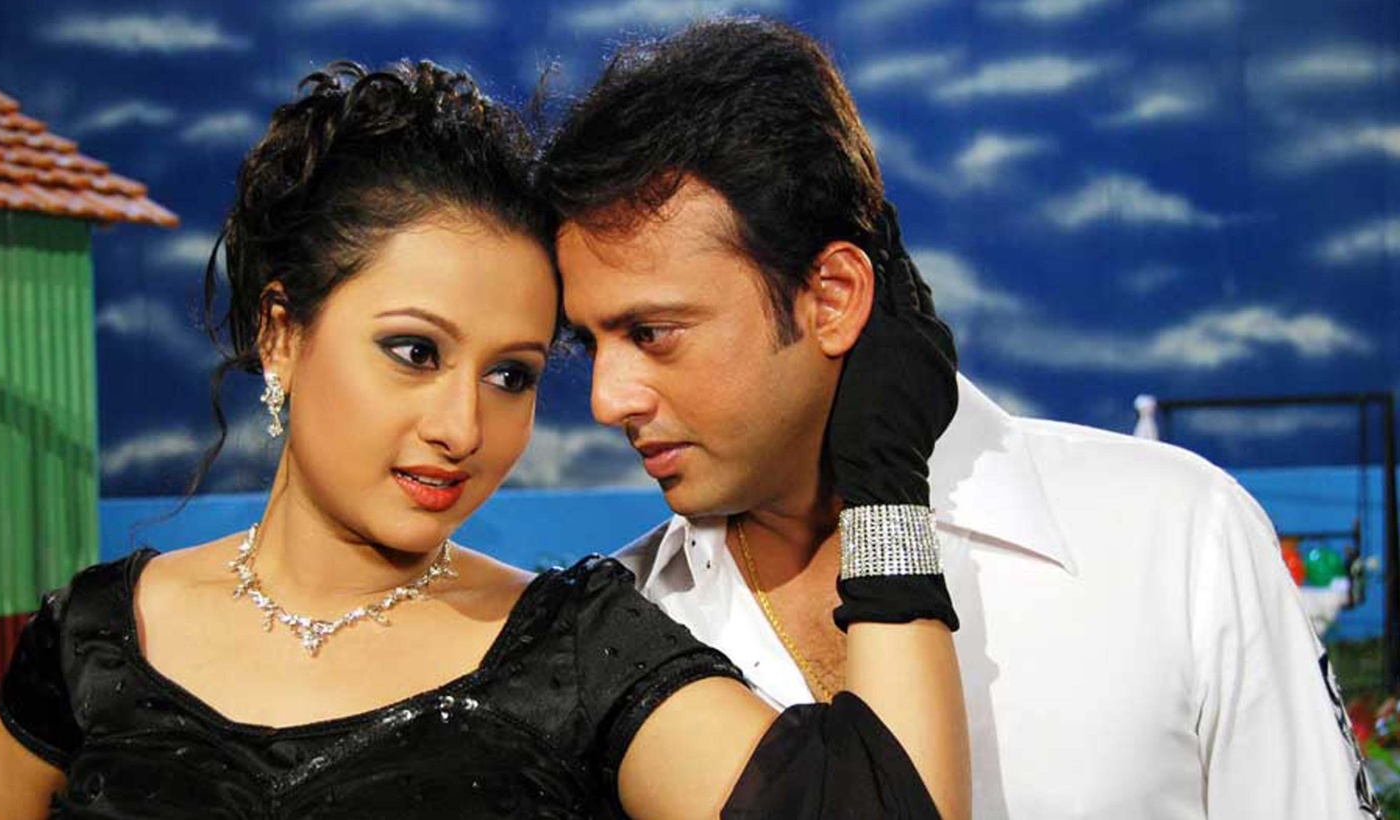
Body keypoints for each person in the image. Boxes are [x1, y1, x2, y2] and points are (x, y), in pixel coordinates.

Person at [0, 59, 970, 819]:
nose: (463, 428)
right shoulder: (93, 638)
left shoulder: (578, 650)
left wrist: (881, 473)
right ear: (282, 334)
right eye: (414, 352)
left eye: (510, 375)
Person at [538, 17, 1382, 820]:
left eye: (652, 333)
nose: (608, 399)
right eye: (591, 342)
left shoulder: (1178, 536)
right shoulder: (616, 630)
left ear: (832, 297)